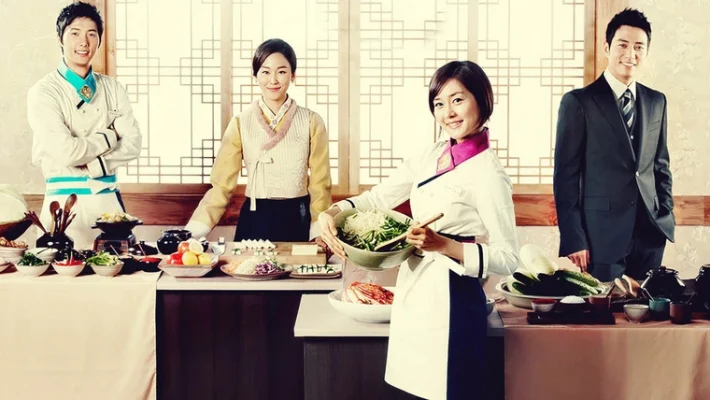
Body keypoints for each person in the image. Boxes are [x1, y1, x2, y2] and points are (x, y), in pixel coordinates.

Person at [318, 61, 519, 400]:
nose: (448, 113)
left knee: (450, 390)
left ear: (482, 100)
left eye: (458, 100)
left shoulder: (489, 173)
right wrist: (334, 211)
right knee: (415, 389)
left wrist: (443, 245)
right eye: (439, 103)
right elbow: (379, 197)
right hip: (415, 289)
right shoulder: (434, 154)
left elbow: (509, 257)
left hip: (454, 298)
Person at [553, 8, 674, 282]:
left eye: (639, 47)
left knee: (645, 305)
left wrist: (665, 213)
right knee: (605, 307)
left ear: (646, 52)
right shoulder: (579, 102)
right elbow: (565, 176)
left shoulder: (657, 101)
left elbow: (660, 166)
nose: (630, 54)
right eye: (623, 45)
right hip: (600, 237)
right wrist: (574, 238)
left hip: (650, 235)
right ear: (607, 48)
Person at [186, 39, 332, 242]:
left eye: (281, 71)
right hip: (255, 217)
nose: (273, 80)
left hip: (297, 216)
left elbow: (320, 184)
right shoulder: (241, 122)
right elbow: (221, 186)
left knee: (297, 263)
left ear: (293, 75)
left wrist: (319, 231)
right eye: (265, 72)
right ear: (255, 76)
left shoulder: (311, 121)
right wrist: (192, 232)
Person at [27, 2, 142, 249]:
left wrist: (95, 164)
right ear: (60, 38)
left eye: (92, 34)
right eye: (75, 33)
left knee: (114, 269)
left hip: (109, 208)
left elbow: (133, 144)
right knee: (63, 271)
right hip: (63, 209)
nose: (84, 42)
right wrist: (110, 137)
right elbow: (67, 152)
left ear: (99, 40)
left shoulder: (114, 88)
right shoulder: (44, 92)